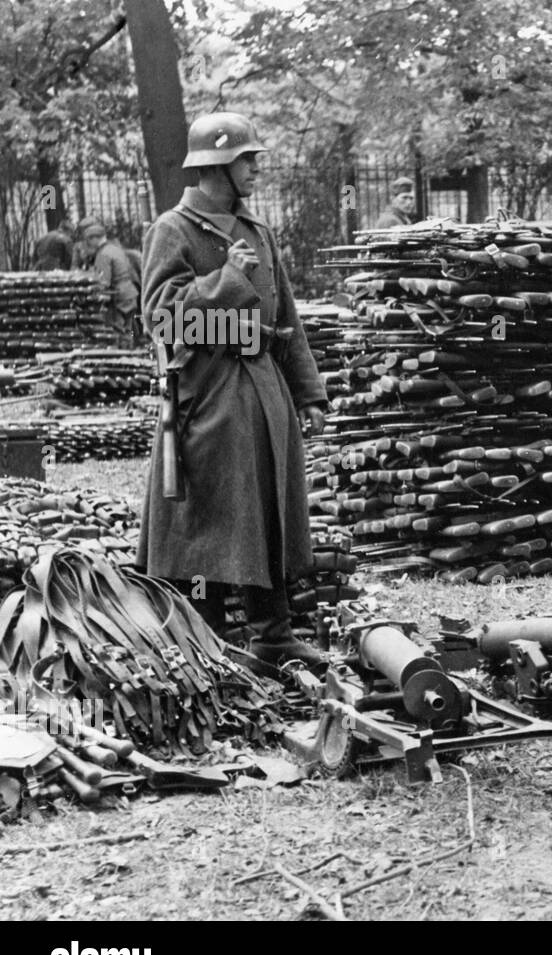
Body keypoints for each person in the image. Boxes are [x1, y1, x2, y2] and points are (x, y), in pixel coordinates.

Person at [136, 111, 328, 669]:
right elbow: (164, 320)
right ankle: (209, 641)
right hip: (209, 392)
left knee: (269, 510)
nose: (256, 169)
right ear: (217, 164)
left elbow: (287, 318)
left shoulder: (259, 232)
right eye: (248, 159)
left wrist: (308, 392)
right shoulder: (172, 230)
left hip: (265, 386)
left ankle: (273, 636)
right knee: (212, 523)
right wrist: (228, 281)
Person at [82, 221, 141, 340]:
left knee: (119, 329)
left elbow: (103, 282)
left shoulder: (103, 254)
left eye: (89, 240)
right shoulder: (115, 249)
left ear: (94, 239)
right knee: (129, 328)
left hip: (119, 298)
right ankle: (133, 346)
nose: (88, 244)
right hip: (130, 293)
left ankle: (126, 352)